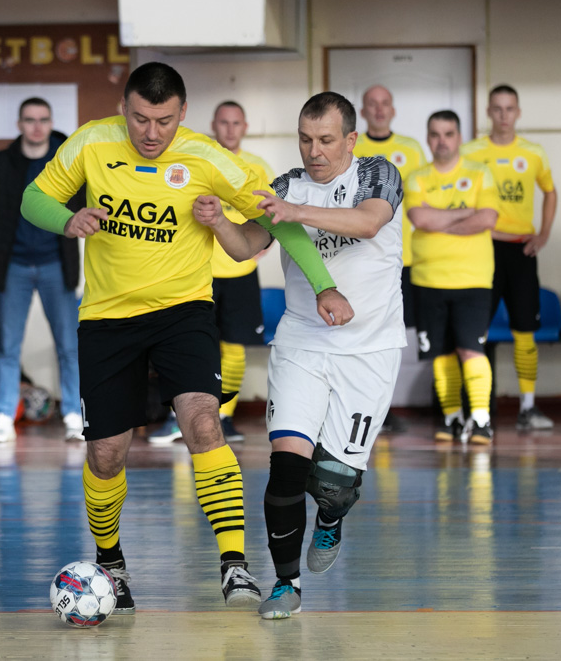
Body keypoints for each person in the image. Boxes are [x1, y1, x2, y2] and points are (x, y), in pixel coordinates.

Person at [19, 62, 353, 612]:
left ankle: (234, 563)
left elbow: (276, 219)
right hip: (107, 317)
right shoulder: (90, 143)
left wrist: (324, 285)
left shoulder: (206, 157)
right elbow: (33, 198)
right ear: (124, 108)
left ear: (183, 113)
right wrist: (67, 219)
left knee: (202, 421)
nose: (152, 133)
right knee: (106, 453)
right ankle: (111, 562)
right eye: (140, 119)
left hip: (184, 311)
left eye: (165, 121)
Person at [193, 91, 403, 619]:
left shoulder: (378, 174)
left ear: (350, 139)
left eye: (326, 140)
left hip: (370, 350)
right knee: (286, 466)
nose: (314, 151)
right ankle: (286, 585)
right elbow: (246, 247)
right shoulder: (287, 185)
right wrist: (219, 221)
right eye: (306, 139)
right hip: (302, 342)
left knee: (332, 484)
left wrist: (294, 212)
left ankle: (330, 519)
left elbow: (368, 222)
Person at [148, 100, 274, 446]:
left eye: (236, 123)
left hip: (240, 272)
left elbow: (271, 215)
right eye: (224, 122)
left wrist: (263, 245)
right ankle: (179, 420)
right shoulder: (195, 160)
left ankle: (224, 418)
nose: (230, 129)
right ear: (214, 125)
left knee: (233, 348)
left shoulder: (258, 167)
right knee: (185, 346)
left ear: (245, 127)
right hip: (195, 271)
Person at [0, 97, 86, 444]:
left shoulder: (68, 160)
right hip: (14, 265)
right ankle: (4, 416)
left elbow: (82, 203)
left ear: (51, 122)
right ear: (19, 124)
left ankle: (73, 414)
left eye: (43, 119)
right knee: (8, 346)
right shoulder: (0, 163)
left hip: (58, 264)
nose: (37, 127)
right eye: (30, 120)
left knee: (69, 346)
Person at [461, 85, 557, 430]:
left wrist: (543, 234)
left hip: (521, 250)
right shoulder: (471, 152)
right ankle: (477, 412)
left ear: (518, 112)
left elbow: (550, 192)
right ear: (488, 112)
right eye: (497, 109)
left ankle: (527, 408)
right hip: (482, 249)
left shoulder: (533, 152)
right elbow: (461, 200)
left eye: (509, 108)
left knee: (525, 331)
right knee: (477, 331)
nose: (503, 115)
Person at [406, 111, 500, 445]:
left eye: (448, 133)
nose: (442, 141)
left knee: (471, 349)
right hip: (428, 278)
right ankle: (452, 419)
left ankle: (481, 420)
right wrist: (465, 212)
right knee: (441, 353)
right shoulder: (416, 177)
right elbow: (419, 218)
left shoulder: (480, 173)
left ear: (459, 137)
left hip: (473, 279)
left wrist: (439, 218)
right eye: (435, 134)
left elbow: (487, 218)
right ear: (428, 138)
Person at [353, 84, 427, 432]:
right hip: (363, 258)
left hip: (406, 259)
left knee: (394, 337)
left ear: (393, 110)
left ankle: (384, 406)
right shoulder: (354, 148)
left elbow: (426, 198)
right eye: (372, 104)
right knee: (363, 333)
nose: (379, 110)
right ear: (363, 111)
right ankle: (362, 407)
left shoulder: (411, 149)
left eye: (385, 104)